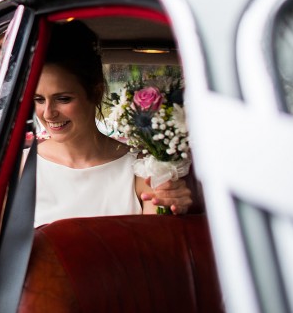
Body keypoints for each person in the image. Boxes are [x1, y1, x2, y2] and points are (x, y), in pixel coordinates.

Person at [27, 21, 193, 227]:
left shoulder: (141, 171)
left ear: (96, 92)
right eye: (39, 99)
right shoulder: (20, 169)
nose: (48, 113)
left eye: (63, 99)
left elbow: (157, 246)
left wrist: (173, 202)